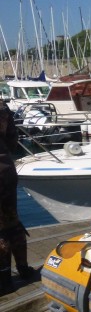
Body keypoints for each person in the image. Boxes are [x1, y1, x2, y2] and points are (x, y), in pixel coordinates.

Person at [0, 100, 33, 295]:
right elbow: (13, 140)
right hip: (6, 171)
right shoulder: (3, 107)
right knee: (12, 221)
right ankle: (24, 269)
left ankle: (4, 281)